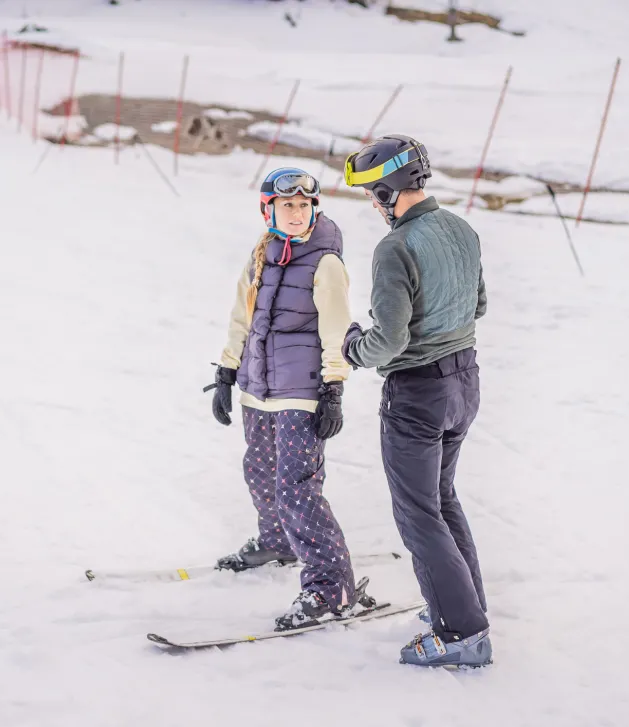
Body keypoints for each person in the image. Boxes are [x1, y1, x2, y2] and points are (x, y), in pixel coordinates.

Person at [341, 135, 492, 667]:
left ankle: (463, 633)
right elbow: (479, 303)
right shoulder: (461, 228)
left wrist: (353, 347)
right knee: (442, 499)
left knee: (418, 512)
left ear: (387, 189)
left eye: (370, 193)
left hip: (418, 392)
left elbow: (390, 341)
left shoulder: (396, 248)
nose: (370, 204)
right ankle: (461, 607)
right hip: (464, 381)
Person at [206, 167, 361, 631]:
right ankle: (277, 542)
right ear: (268, 208)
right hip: (259, 388)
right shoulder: (261, 255)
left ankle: (330, 587)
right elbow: (243, 318)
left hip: (301, 390)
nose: (295, 213)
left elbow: (336, 328)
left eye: (303, 205)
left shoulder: (326, 263)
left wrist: (333, 389)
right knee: (259, 471)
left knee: (297, 488)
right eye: (286, 205)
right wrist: (227, 370)